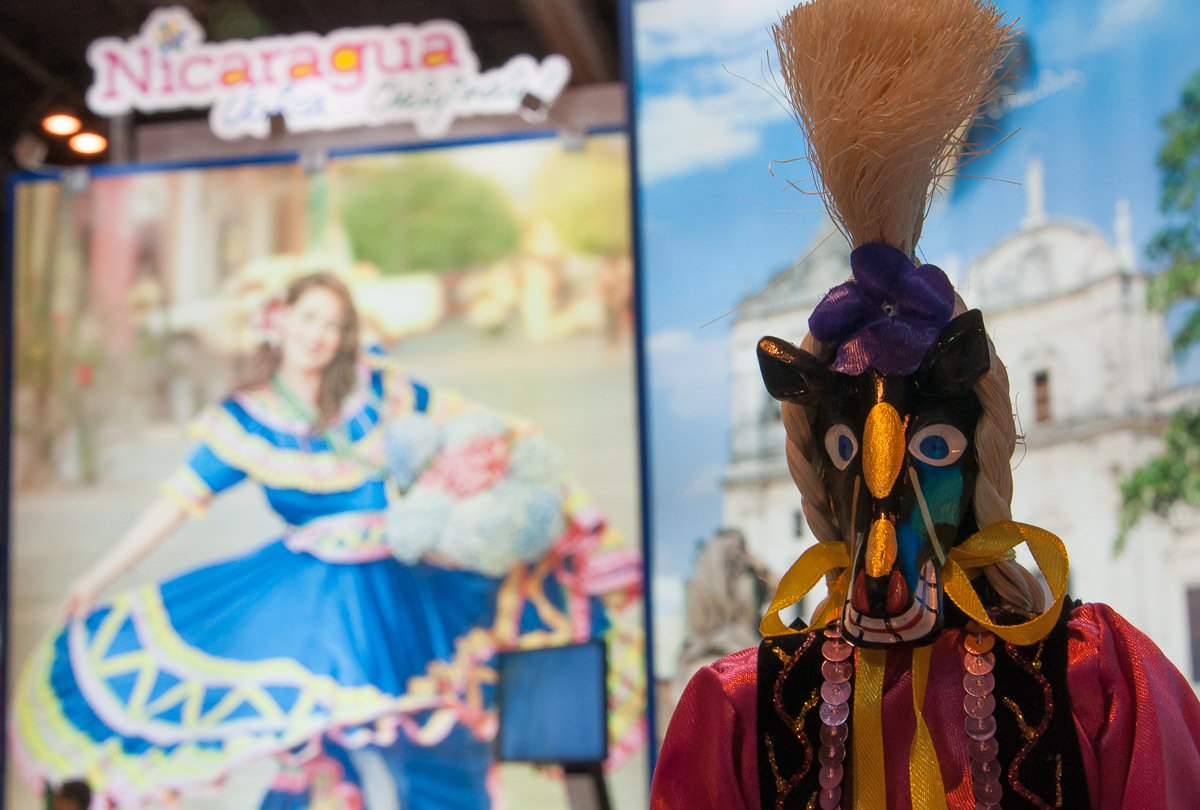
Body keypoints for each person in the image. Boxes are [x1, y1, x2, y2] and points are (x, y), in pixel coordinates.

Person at [649, 1, 1200, 809]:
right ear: (817, 466)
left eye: (934, 449)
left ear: (983, 451)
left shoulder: (1101, 680)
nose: (888, 527)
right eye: (846, 451)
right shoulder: (740, 709)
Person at [12, 271, 636, 810]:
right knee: (332, 750)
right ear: (279, 319)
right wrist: (95, 577)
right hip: (315, 610)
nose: (318, 334)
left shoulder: (374, 388)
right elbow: (175, 505)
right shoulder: (247, 421)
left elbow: (463, 420)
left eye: (333, 325)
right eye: (309, 318)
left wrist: (516, 453)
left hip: (405, 592)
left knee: (433, 744)